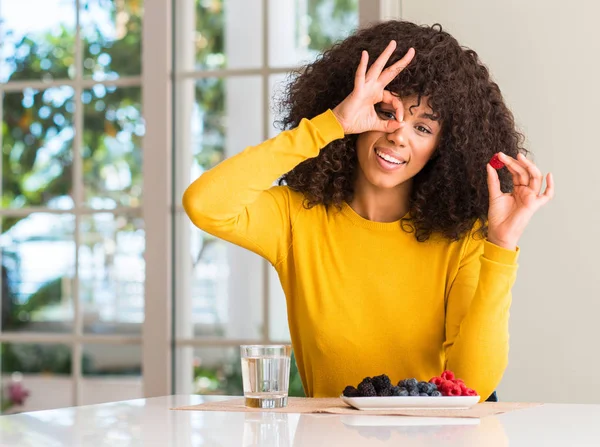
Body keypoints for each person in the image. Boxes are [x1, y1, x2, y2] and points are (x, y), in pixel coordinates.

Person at [182, 20, 554, 401]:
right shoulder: (297, 218)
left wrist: (502, 247)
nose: (398, 134)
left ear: (445, 149)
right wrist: (333, 123)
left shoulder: (463, 240)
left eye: (423, 128)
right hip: (328, 437)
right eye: (386, 111)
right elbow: (205, 205)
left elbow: (474, 383)